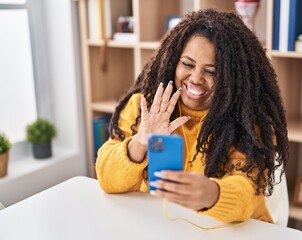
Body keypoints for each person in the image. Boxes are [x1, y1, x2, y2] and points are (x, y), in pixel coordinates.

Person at [96, 8, 288, 224]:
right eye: (187, 64)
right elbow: (106, 178)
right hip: (162, 227)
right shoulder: (145, 107)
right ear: (173, 61)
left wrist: (212, 194)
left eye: (212, 72)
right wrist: (139, 143)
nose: (196, 78)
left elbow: (248, 192)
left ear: (234, 77)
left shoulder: (248, 122)